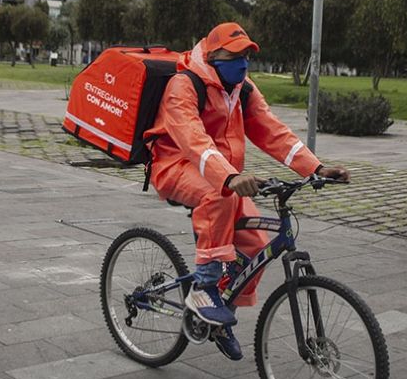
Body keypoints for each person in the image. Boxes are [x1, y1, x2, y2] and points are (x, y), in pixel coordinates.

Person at [143, 22, 349, 360]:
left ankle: (220, 317)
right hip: (176, 166)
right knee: (217, 195)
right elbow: (193, 140)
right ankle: (204, 288)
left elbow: (272, 130)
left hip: (223, 174)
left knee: (256, 244)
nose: (243, 63)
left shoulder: (242, 88)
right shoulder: (184, 84)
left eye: (247, 56)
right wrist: (227, 177)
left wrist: (315, 168)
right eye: (236, 56)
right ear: (213, 55)